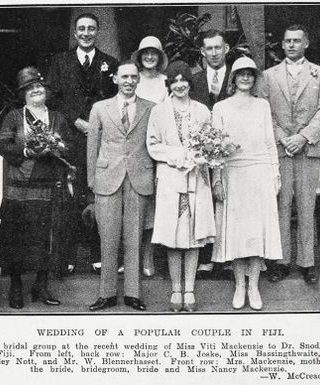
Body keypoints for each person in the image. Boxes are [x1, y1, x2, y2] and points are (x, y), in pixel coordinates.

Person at [258, 25, 320, 284]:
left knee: (306, 206)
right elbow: (264, 109)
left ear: (306, 44)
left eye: (296, 41)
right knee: (281, 205)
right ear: (282, 44)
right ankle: (280, 261)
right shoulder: (268, 76)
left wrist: (302, 137)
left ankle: (307, 262)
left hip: (308, 149)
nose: (291, 45)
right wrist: (282, 137)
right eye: (287, 40)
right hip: (280, 149)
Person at [0, 67, 75, 309]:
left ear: (46, 90)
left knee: (45, 240)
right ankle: (16, 287)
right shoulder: (13, 116)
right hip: (19, 188)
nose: (36, 90)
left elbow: (69, 145)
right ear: (23, 94)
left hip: (48, 186)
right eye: (30, 89)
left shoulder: (58, 118)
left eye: (39, 86)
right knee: (16, 240)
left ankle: (40, 286)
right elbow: (3, 145)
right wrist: (27, 151)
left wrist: (56, 149)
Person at [47, 13, 118, 275]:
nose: (86, 33)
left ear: (97, 32)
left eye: (91, 29)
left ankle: (102, 258)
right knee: (69, 199)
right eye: (81, 29)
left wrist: (97, 126)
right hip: (70, 141)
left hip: (100, 141)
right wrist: (76, 120)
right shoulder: (60, 62)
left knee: (101, 197)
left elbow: (115, 101)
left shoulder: (109, 63)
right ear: (75, 33)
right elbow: (52, 100)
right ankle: (66, 259)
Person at [212, 57, 283, 311]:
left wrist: (275, 173)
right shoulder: (220, 108)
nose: (245, 78)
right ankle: (239, 285)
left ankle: (253, 285)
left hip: (259, 172)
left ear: (254, 78)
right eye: (240, 74)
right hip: (232, 174)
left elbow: (269, 140)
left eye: (250, 74)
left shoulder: (262, 105)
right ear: (233, 78)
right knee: (237, 235)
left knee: (255, 233)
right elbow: (216, 148)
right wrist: (217, 179)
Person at [147, 61, 216, 312]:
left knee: (193, 236)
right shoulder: (159, 111)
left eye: (183, 80)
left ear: (190, 82)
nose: (179, 85)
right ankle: (176, 289)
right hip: (170, 176)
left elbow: (211, 144)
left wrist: (198, 156)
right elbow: (153, 145)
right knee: (173, 236)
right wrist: (178, 155)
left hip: (197, 178)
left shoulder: (202, 111)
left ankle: (190, 290)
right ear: (169, 84)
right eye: (174, 81)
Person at [87, 60, 155, 311]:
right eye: (124, 77)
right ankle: (106, 294)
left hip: (139, 178)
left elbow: (154, 144)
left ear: (139, 80)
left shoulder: (151, 108)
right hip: (107, 179)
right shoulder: (99, 108)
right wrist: (91, 182)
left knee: (134, 238)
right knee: (108, 237)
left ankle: (132, 293)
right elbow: (92, 146)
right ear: (114, 78)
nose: (129, 81)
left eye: (133, 77)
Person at [189, 29, 231, 279]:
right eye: (209, 49)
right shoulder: (193, 80)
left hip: (230, 152)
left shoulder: (237, 78)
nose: (214, 53)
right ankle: (205, 258)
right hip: (202, 152)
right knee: (204, 203)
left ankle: (226, 256)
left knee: (228, 202)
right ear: (202, 52)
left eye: (218, 47)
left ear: (226, 49)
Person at [130, 35, 169, 277]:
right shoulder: (134, 80)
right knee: (137, 204)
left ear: (160, 56)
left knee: (155, 206)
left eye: (154, 52)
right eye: (145, 53)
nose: (150, 57)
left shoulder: (166, 82)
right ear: (139, 56)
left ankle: (149, 256)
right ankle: (133, 257)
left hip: (159, 147)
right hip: (136, 148)